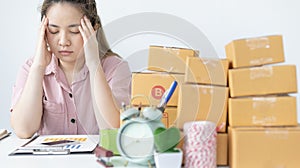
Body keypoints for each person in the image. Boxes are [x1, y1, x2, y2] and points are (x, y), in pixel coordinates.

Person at [10, 0, 131, 139]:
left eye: (74, 31)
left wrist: (94, 65)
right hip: (49, 160)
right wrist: (38, 67)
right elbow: (23, 130)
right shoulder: (31, 68)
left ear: (93, 30)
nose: (63, 41)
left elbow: (113, 130)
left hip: (96, 159)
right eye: (54, 31)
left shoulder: (115, 68)